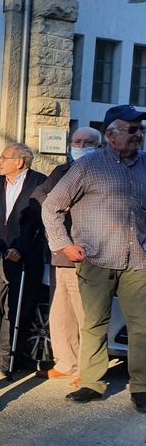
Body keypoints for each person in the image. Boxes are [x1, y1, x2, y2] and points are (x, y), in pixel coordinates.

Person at [42, 105, 146, 412]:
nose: (139, 134)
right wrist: (64, 244)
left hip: (138, 260)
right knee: (93, 323)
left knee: (142, 326)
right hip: (96, 258)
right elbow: (52, 207)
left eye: (141, 129)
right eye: (133, 129)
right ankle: (92, 382)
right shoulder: (88, 167)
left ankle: (141, 386)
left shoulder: (145, 166)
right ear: (111, 134)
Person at [32, 127, 102, 386]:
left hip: (87, 252)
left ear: (99, 145)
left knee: (86, 314)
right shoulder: (62, 170)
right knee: (61, 312)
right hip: (61, 251)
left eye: (87, 142)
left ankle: (88, 368)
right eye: (77, 141)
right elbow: (40, 194)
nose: (80, 145)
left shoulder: (100, 170)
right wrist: (60, 201)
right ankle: (66, 362)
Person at [0, 142, 47, 377]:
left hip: (23, 255)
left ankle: (7, 358)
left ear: (19, 161)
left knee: (15, 307)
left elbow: (36, 221)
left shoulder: (39, 182)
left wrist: (21, 249)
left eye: (4, 157)